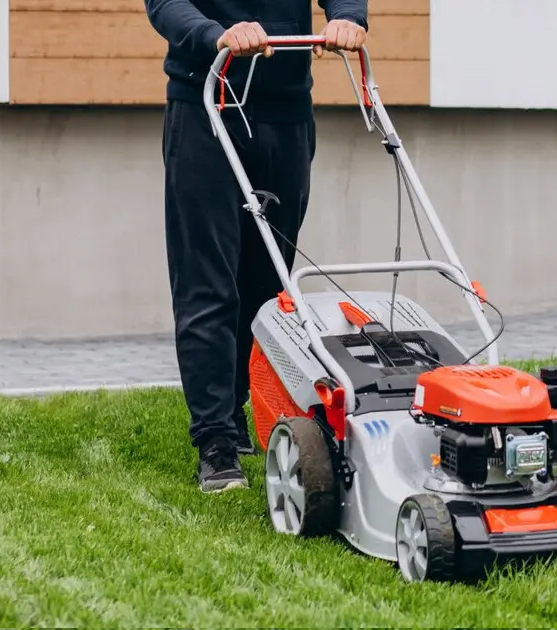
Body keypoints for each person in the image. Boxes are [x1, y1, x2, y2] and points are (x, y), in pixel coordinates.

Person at [144, 0, 368, 493]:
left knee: (268, 287)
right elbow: (164, 4)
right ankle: (215, 439)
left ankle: (239, 404)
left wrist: (349, 16)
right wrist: (214, 35)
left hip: (285, 113)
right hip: (208, 104)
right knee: (209, 282)